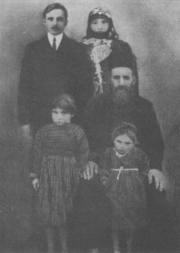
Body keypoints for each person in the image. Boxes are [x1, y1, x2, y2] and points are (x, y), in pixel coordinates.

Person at [77, 49, 167, 252]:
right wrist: (90, 159)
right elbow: (86, 137)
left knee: (156, 192)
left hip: (137, 167)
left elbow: (155, 142)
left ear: (133, 80)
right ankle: (97, 247)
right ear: (109, 80)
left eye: (125, 77)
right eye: (116, 77)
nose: (121, 82)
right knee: (87, 186)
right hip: (104, 165)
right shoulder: (96, 105)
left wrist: (155, 167)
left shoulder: (145, 107)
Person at [18, 2, 93, 136]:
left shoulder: (78, 49)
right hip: (40, 117)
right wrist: (25, 121)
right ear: (44, 21)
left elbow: (86, 87)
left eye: (59, 19)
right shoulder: (33, 49)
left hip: (70, 117)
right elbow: (24, 86)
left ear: (66, 22)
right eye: (50, 19)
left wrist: (78, 117)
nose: (55, 23)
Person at [30, 94, 89, 253]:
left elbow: (83, 153)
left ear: (72, 114)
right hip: (48, 174)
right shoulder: (43, 132)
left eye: (63, 113)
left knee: (64, 210)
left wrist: (79, 170)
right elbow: (36, 154)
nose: (59, 117)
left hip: (67, 174)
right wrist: (35, 176)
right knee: (48, 211)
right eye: (55, 112)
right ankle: (50, 247)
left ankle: (64, 247)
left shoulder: (77, 131)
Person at [100, 122, 150, 253]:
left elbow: (145, 169)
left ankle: (129, 247)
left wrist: (138, 180)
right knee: (114, 218)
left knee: (131, 220)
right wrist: (105, 180)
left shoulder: (139, 154)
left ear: (134, 144)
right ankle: (116, 248)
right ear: (113, 140)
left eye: (127, 143)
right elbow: (104, 168)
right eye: (119, 141)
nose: (122, 146)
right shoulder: (108, 153)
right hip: (113, 190)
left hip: (132, 191)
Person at [82, 7, 137, 97]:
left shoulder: (120, 46)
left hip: (114, 91)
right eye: (95, 23)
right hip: (89, 92)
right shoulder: (82, 46)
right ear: (89, 25)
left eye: (104, 22)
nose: (100, 26)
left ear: (110, 23)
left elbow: (129, 72)